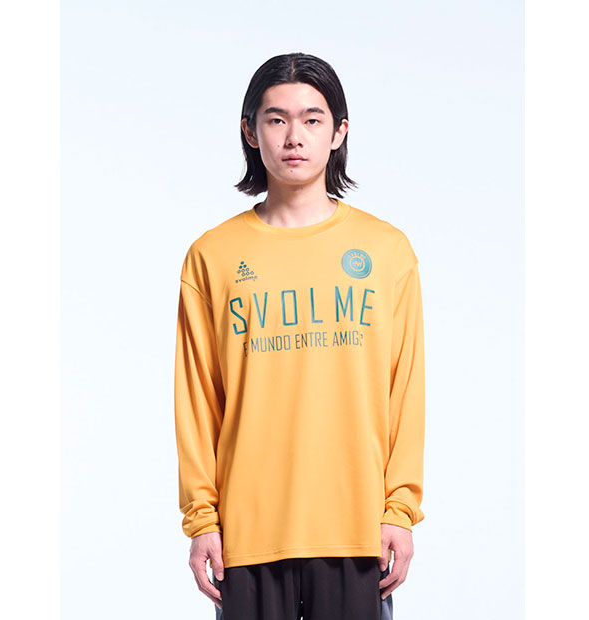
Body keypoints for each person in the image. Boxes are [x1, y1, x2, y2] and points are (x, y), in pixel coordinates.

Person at [174, 52, 426, 620]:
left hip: (357, 529)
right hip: (247, 533)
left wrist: (399, 511)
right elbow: (197, 401)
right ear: (250, 131)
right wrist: (202, 519)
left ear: (338, 132)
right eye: (277, 119)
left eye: (313, 119)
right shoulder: (212, 256)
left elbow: (405, 391)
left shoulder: (386, 252)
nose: (294, 136)